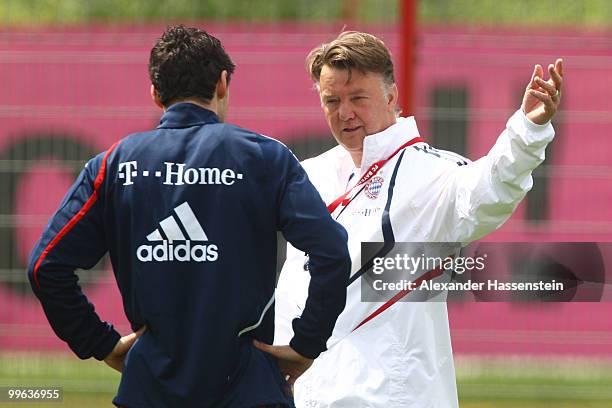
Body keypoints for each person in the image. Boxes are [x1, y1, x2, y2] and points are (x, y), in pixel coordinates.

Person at [27, 25, 351, 408]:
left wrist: (101, 343)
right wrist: (305, 345)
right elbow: (332, 253)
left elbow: (46, 267)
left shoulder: (114, 164)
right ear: (222, 84)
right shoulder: (266, 157)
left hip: (150, 389)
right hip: (248, 388)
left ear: (154, 93)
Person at [273, 31, 563, 407]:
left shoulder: (431, 174)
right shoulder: (309, 174)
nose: (344, 113)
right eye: (332, 101)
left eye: (357, 98)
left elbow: (491, 189)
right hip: (304, 396)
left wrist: (527, 131)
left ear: (391, 96)